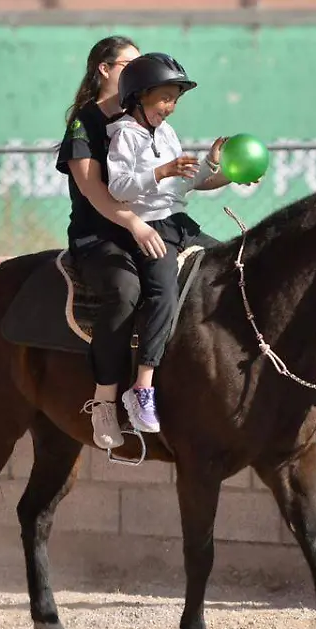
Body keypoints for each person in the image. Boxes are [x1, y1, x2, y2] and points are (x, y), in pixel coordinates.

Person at [103, 51, 234, 437]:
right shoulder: (125, 134)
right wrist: (161, 170)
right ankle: (142, 386)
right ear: (139, 96)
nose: (171, 107)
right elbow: (119, 188)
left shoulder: (166, 134)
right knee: (162, 293)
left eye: (175, 99)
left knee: (230, 264)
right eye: (165, 97)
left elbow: (185, 183)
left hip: (179, 222)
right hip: (148, 228)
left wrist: (219, 171)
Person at [55, 35, 159, 451]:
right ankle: (103, 401)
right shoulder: (84, 123)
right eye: (127, 65)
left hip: (150, 228)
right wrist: (134, 225)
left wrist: (220, 176)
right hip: (99, 236)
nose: (137, 73)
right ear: (104, 69)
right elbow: (94, 191)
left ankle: (151, 388)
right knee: (124, 291)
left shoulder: (143, 116)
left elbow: (164, 177)